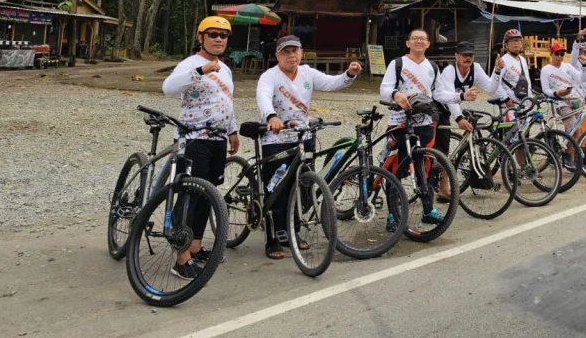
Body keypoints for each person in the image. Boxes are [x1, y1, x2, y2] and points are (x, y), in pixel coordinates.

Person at [256, 35, 361, 259]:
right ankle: (273, 239)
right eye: (285, 51)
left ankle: (292, 232)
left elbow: (332, 83)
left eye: (295, 51)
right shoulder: (270, 76)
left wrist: (349, 74)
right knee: (276, 190)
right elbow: (263, 97)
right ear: (277, 55)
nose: (291, 55)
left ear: (301, 52)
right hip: (277, 139)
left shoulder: (307, 73)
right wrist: (271, 116)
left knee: (302, 187)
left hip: (304, 138)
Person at [161, 16, 239, 280]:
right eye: (213, 34)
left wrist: (233, 130)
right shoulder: (190, 64)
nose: (219, 38)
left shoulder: (225, 68)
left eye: (224, 35)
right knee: (190, 195)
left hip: (217, 139)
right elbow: (167, 88)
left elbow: (226, 101)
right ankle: (181, 259)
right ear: (200, 37)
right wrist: (201, 72)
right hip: (193, 138)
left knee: (208, 194)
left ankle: (195, 246)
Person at [380, 28, 457, 229]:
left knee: (424, 166)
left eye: (423, 39)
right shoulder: (397, 64)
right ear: (408, 43)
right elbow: (385, 89)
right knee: (396, 168)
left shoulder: (432, 66)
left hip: (424, 124)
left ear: (429, 44)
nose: (419, 42)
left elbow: (439, 94)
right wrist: (396, 94)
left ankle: (427, 209)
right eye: (414, 38)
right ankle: (393, 213)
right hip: (399, 122)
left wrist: (460, 97)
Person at [433, 41, 502, 201]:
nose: (468, 58)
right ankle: (438, 186)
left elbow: (491, 88)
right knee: (440, 148)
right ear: (456, 56)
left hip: (453, 106)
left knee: (446, 149)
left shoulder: (475, 69)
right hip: (437, 107)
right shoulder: (449, 71)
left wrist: (497, 71)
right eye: (464, 55)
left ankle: (443, 189)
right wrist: (458, 118)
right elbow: (449, 97)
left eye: (470, 55)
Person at [540, 42, 584, 131]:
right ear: (551, 54)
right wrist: (556, 93)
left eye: (562, 54)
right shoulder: (545, 70)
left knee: (577, 131)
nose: (560, 57)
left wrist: (585, 66)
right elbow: (545, 89)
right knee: (574, 129)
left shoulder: (568, 66)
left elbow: (581, 78)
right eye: (557, 54)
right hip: (560, 102)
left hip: (574, 100)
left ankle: (570, 144)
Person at [491, 28, 531, 103]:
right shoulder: (503, 61)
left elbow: (527, 80)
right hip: (510, 106)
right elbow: (495, 83)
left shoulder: (523, 60)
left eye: (518, 40)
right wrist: (506, 100)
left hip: (524, 103)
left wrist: (530, 98)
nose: (516, 43)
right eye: (512, 41)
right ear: (506, 44)